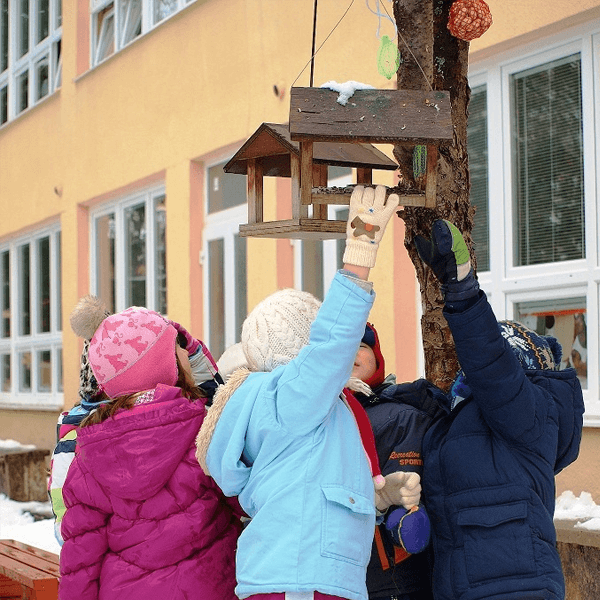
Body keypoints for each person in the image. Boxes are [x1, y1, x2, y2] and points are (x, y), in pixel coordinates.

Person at [196, 185, 419, 600]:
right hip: (301, 582)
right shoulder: (289, 398)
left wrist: (377, 495)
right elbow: (332, 342)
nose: (346, 355)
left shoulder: (302, 408)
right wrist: (361, 248)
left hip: (305, 577)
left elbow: (314, 477)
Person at [414, 219, 585, 600]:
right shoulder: (460, 418)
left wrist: (462, 290)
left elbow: (490, 362)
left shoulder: (530, 412)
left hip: (517, 587)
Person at [58, 303, 238, 600]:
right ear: (170, 364)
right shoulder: (203, 429)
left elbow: (80, 557)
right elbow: (244, 501)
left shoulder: (89, 454)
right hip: (209, 586)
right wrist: (193, 350)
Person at [48, 296, 223, 546]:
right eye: (177, 350)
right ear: (170, 367)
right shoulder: (194, 422)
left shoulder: (80, 443)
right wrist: (195, 350)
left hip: (118, 581)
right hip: (204, 577)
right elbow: (219, 403)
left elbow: (69, 536)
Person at [347, 322, 445, 600]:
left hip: (391, 577)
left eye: (363, 346)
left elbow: (409, 484)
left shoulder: (400, 416)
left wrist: (403, 519)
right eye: (344, 346)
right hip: (334, 573)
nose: (353, 353)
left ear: (377, 357)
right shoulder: (318, 418)